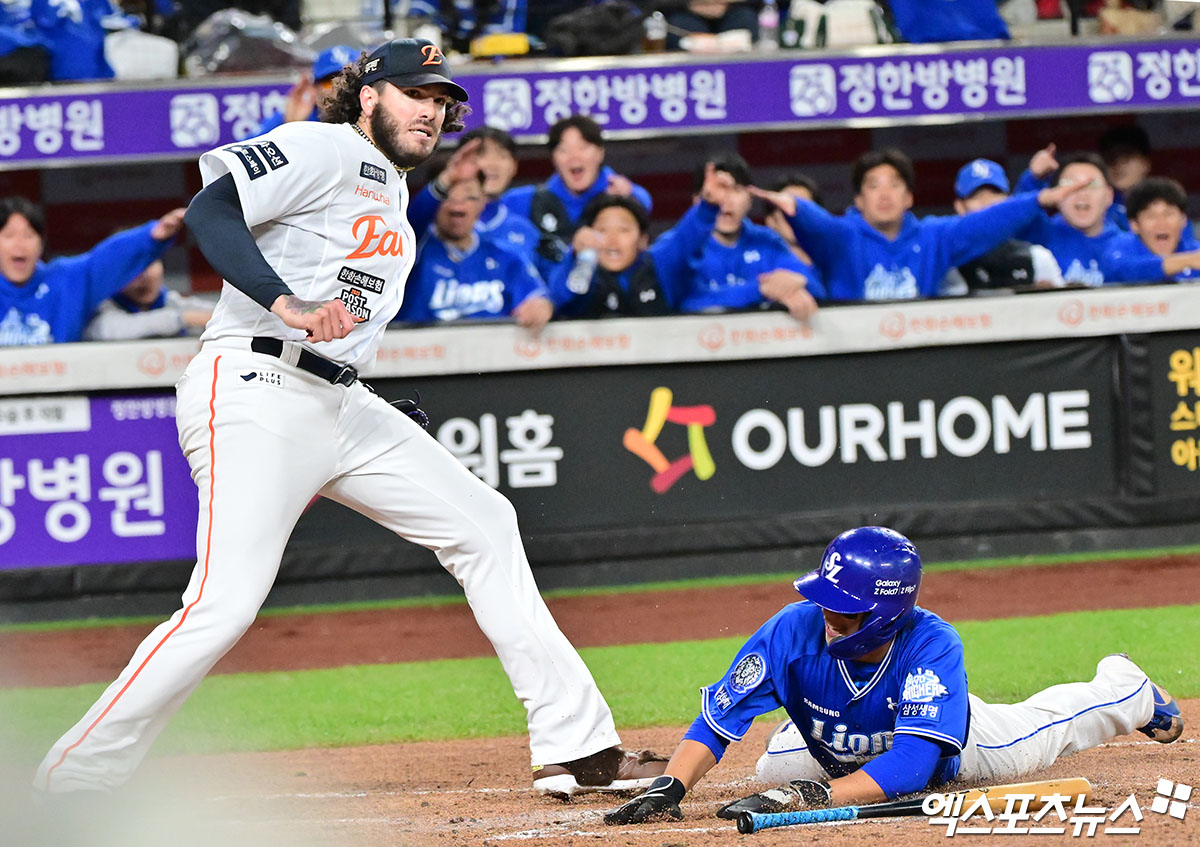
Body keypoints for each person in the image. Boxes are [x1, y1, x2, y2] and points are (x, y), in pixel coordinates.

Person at [33, 37, 666, 803]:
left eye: (440, 100)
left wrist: (356, 386)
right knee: (224, 602)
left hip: (336, 399)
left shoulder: (391, 191)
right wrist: (285, 301)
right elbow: (212, 207)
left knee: (486, 523)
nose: (430, 110)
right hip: (256, 383)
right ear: (368, 96)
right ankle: (75, 774)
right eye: (414, 93)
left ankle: (578, 748)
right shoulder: (325, 145)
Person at [604, 526, 1184, 825]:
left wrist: (815, 796)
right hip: (845, 741)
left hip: (956, 749)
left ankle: (1126, 688)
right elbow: (718, 720)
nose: (827, 615)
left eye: (844, 608)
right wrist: (670, 787)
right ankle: (814, 733)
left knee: (1045, 732)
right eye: (825, 600)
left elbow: (912, 768)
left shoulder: (931, 643)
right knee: (771, 768)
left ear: (885, 611)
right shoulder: (791, 628)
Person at [749, 148, 1086, 302]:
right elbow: (819, 225)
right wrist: (797, 208)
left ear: (909, 197)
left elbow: (984, 223)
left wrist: (1038, 198)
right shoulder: (844, 237)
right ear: (859, 200)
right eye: (873, 186)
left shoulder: (932, 236)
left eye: (894, 185)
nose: (885, 194)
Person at [0, 196, 184, 346]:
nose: (19, 245)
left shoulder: (65, 280)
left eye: (28, 235)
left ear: (41, 243)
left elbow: (105, 260)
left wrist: (152, 237)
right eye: (9, 235)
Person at [500, 114, 653, 282]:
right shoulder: (523, 201)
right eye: (563, 149)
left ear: (600, 152)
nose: (574, 156)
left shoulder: (627, 196)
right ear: (553, 158)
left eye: (583, 147)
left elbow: (644, 202)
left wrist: (627, 199)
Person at [674, 154, 824, 322]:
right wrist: (759, 290)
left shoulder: (767, 240)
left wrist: (797, 283)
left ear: (750, 199)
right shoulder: (684, 245)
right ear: (697, 201)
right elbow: (685, 302)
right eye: (716, 191)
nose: (726, 201)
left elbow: (815, 288)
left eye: (735, 190)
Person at [397, 172, 553, 328]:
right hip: (416, 342)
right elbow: (412, 216)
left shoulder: (504, 255)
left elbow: (537, 296)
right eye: (448, 197)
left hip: (492, 342)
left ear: (483, 202)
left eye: (470, 198)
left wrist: (540, 305)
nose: (457, 207)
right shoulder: (413, 246)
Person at [409, 126, 540, 261]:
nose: (492, 164)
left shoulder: (526, 231)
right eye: (481, 154)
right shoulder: (430, 222)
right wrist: (446, 179)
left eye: (502, 155)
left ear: (514, 166)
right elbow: (412, 220)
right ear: (460, 159)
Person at [942, 158, 1064, 295]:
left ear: (1009, 201)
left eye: (995, 194)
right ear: (960, 206)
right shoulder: (944, 263)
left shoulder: (1037, 257)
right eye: (977, 196)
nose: (988, 204)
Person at [1018, 152, 1125, 287]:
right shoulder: (1041, 236)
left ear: (1109, 196)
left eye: (1092, 185)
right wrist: (1032, 179)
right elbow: (1016, 219)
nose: (1082, 193)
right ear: (1055, 195)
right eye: (1069, 184)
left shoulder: (1128, 244)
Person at [1101, 176, 1200, 284]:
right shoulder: (1119, 247)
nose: (1161, 223)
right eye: (1151, 216)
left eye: (1169, 214)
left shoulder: (1194, 250)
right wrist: (1186, 261)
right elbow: (1123, 269)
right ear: (1134, 225)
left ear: (1183, 220)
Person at [83, 260, 214, 340]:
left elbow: (216, 313)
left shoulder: (171, 301)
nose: (143, 277)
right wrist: (183, 319)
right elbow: (114, 330)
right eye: (131, 268)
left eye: (149, 264)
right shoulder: (100, 306)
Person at [254, 44, 359, 136]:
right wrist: (291, 126)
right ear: (314, 88)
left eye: (348, 80)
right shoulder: (296, 117)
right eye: (329, 83)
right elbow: (248, 146)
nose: (340, 89)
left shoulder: (366, 117)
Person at [762, 172, 822, 266]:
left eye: (804, 209)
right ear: (771, 221)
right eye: (787, 209)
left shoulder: (836, 266)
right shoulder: (759, 268)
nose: (796, 216)